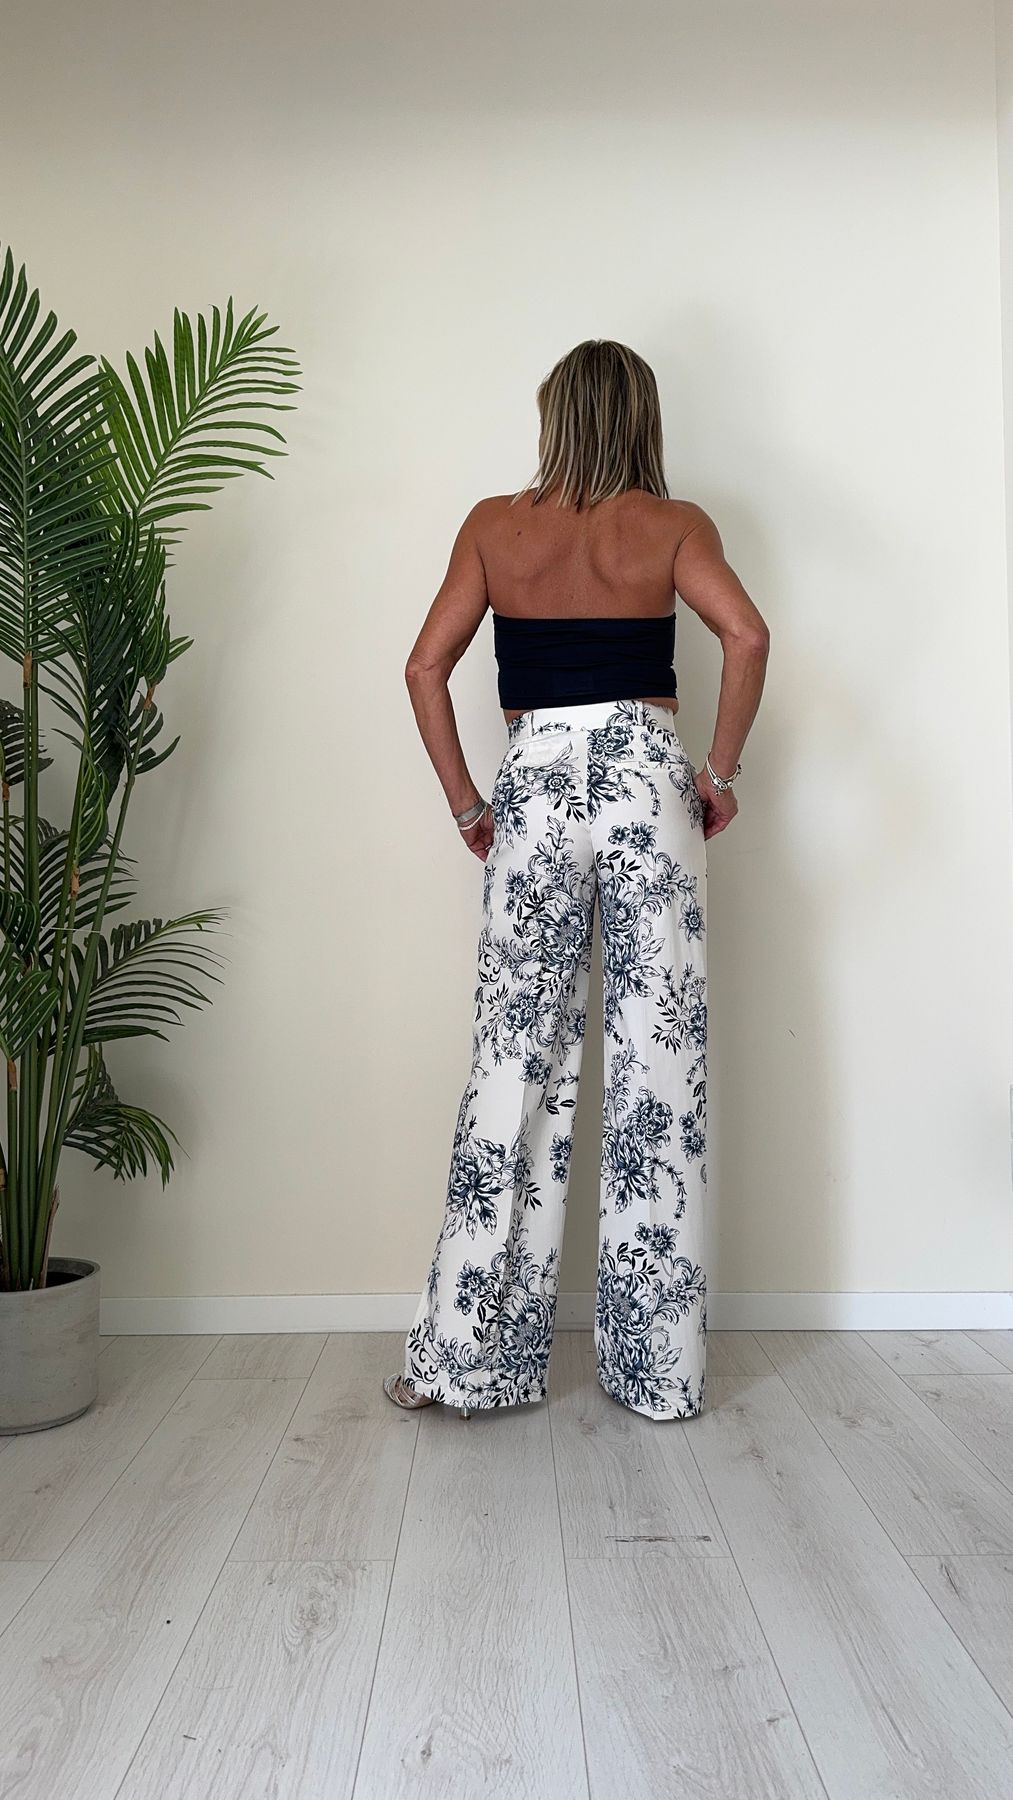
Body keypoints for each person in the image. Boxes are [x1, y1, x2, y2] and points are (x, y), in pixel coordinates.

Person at [385, 339, 769, 1422]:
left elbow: (423, 666)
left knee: (514, 1055)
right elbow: (745, 636)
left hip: (537, 780)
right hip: (647, 780)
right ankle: (656, 1373)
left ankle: (465, 1361)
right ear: (641, 416)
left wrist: (468, 805)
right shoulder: (673, 524)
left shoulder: (493, 526)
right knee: (657, 1062)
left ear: (555, 415)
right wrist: (717, 775)